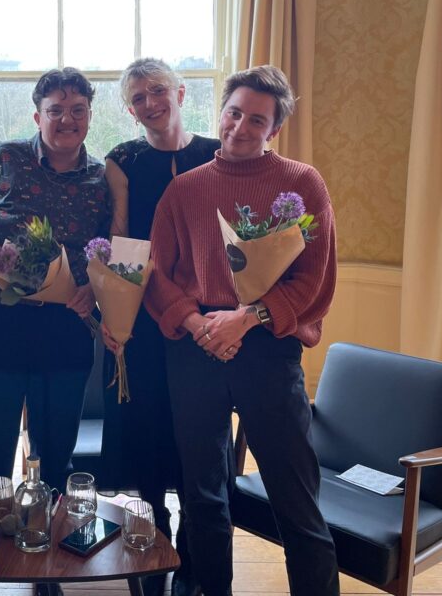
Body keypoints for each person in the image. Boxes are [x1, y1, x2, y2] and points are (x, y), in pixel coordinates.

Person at [145, 65, 340, 596]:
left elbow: (314, 279)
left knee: (294, 494)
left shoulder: (301, 185)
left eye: (257, 119)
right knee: (203, 493)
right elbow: (157, 274)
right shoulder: (184, 189)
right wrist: (194, 321)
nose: (240, 127)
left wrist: (247, 318)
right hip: (196, 346)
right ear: (220, 111)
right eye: (234, 113)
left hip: (267, 348)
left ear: (274, 128)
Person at [0, 67, 110, 502]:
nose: (67, 119)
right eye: (55, 110)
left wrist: (96, 290)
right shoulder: (3, 158)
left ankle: (49, 556)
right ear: (36, 116)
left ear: (90, 115)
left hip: (64, 326)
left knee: (57, 454)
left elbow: (110, 250)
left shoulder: (101, 181)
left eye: (77, 110)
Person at [101, 58, 218, 596]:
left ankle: (198, 557)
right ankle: (155, 547)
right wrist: (117, 317)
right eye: (138, 98)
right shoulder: (123, 160)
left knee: (199, 439)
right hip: (145, 320)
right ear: (129, 110)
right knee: (149, 435)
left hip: (205, 317)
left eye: (157, 91)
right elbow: (124, 240)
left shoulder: (217, 151)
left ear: (181, 92)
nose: (150, 103)